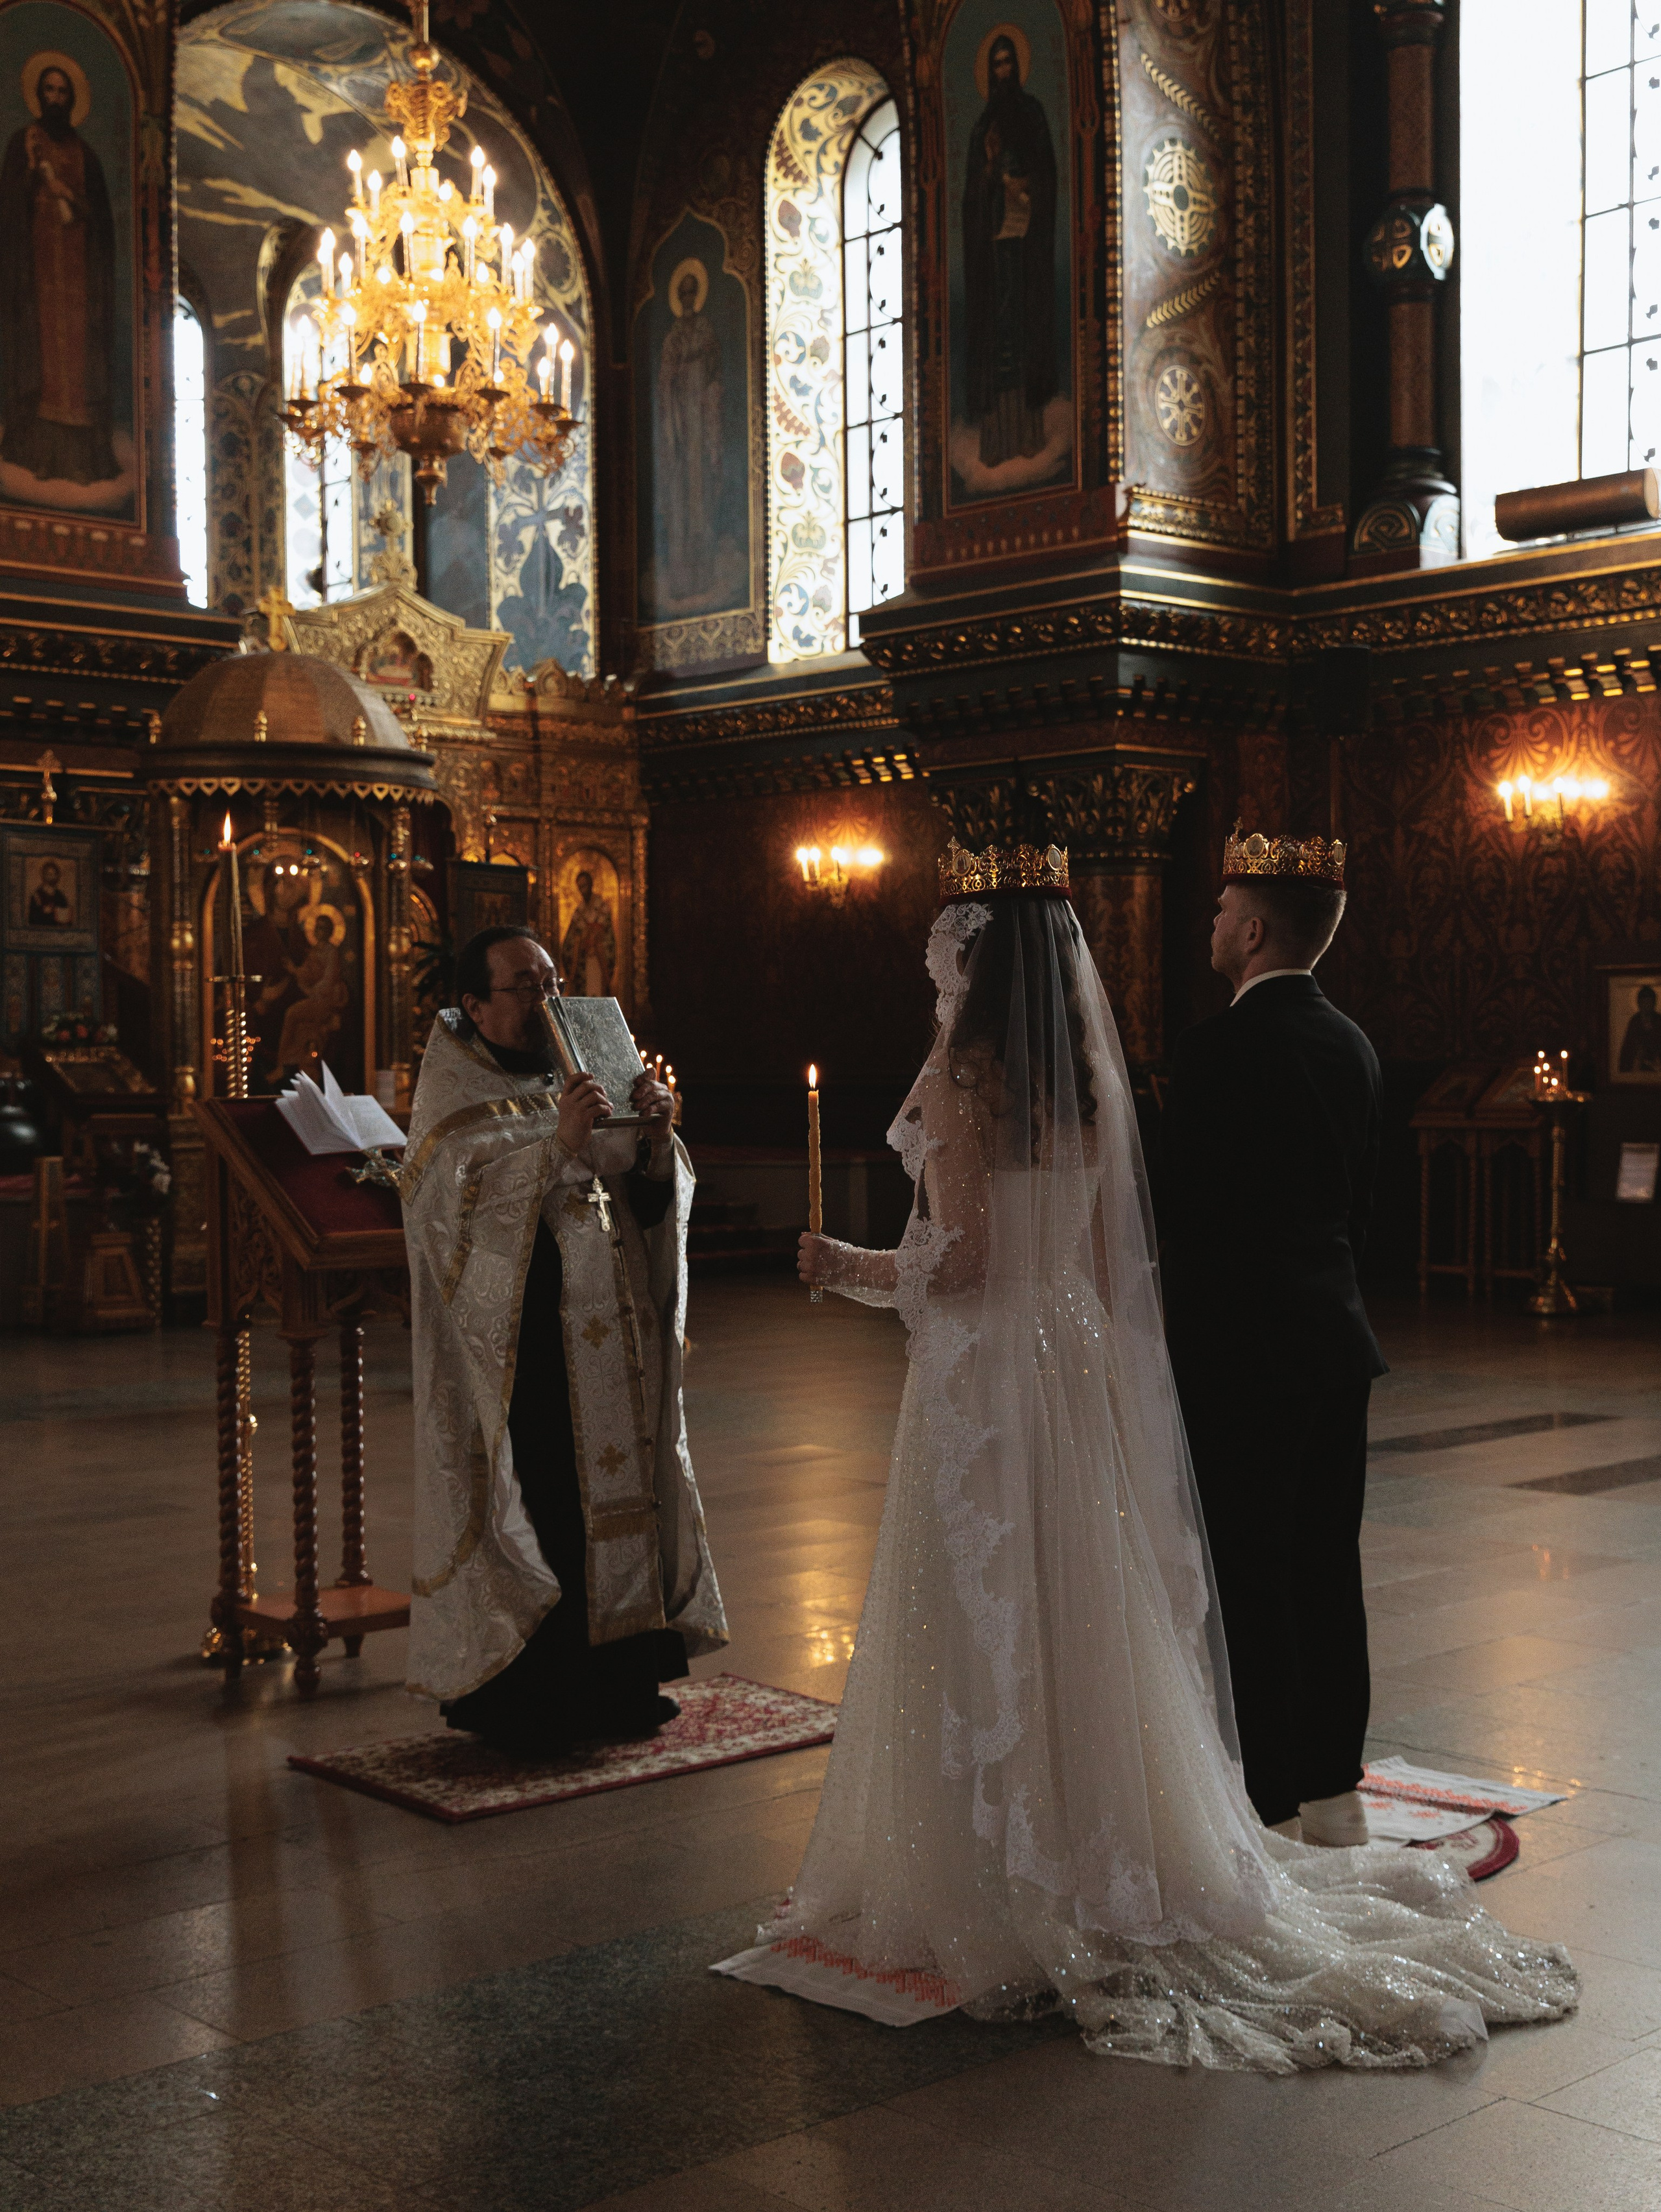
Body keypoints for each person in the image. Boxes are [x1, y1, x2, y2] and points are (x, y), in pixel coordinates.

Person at [717, 837, 1575, 2071]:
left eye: (945, 960)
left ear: (972, 967)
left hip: (1003, 1367)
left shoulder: (972, 1075)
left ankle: (1009, 1854)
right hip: (1111, 1354)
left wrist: (843, 1266)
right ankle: (1208, 1802)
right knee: (1116, 1592)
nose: (938, 981)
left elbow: (963, 1260)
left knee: (997, 1594)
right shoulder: (1095, 1072)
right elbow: (1128, 1244)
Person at [403, 923, 727, 1752]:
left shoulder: (587, 1067)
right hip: (529, 1351)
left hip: (611, 1336)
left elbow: (645, 1203)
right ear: (474, 1005)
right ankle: (536, 1698)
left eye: (551, 980)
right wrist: (557, 1150)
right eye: (522, 986)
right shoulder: (454, 1094)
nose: (545, 999)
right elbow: (448, 1216)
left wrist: (655, 1139)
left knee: (622, 1501)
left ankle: (620, 1684)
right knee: (547, 1506)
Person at [1161, 826, 1382, 1849]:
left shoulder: (1217, 1053)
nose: (1208, 925)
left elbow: (1189, 1219)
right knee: (1327, 1565)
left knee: (1250, 1573)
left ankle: (1272, 1801)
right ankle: (1337, 1790)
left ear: (1252, 931)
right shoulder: (1354, 1043)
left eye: (1218, 911)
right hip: (1336, 1339)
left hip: (1242, 1354)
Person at [0, 58, 119, 488]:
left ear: (71, 99)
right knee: (44, 361)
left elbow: (101, 218)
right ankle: (40, 455)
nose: (55, 98)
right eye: (48, 90)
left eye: (62, 92)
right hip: (37, 275)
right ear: (38, 96)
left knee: (78, 364)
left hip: (77, 278)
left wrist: (70, 198)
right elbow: (10, 205)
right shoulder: (23, 143)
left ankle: (81, 460)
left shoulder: (85, 155)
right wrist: (34, 177)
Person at [962, 32, 1058, 468]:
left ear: (1016, 68)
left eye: (1007, 64)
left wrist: (1024, 188)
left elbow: (1047, 174)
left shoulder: (1033, 114)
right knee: (998, 337)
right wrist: (990, 177)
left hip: (1026, 250)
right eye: (995, 65)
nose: (1002, 72)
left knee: (1024, 332)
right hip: (994, 252)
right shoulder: (983, 128)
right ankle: (998, 443)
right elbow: (971, 196)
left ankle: (1030, 435)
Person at [559, 869, 618, 999]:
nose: (582, 890)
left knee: (598, 993)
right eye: (579, 887)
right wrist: (579, 942)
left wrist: (594, 939)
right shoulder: (579, 911)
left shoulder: (602, 906)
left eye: (584, 886)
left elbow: (607, 937)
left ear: (591, 885)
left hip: (598, 960)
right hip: (583, 963)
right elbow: (571, 939)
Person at [26, 858, 70, 926]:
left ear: (57, 876)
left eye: (53, 874)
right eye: (49, 874)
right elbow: (32, 919)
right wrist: (43, 912)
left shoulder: (60, 895)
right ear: (44, 875)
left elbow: (66, 918)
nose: (51, 877)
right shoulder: (36, 895)